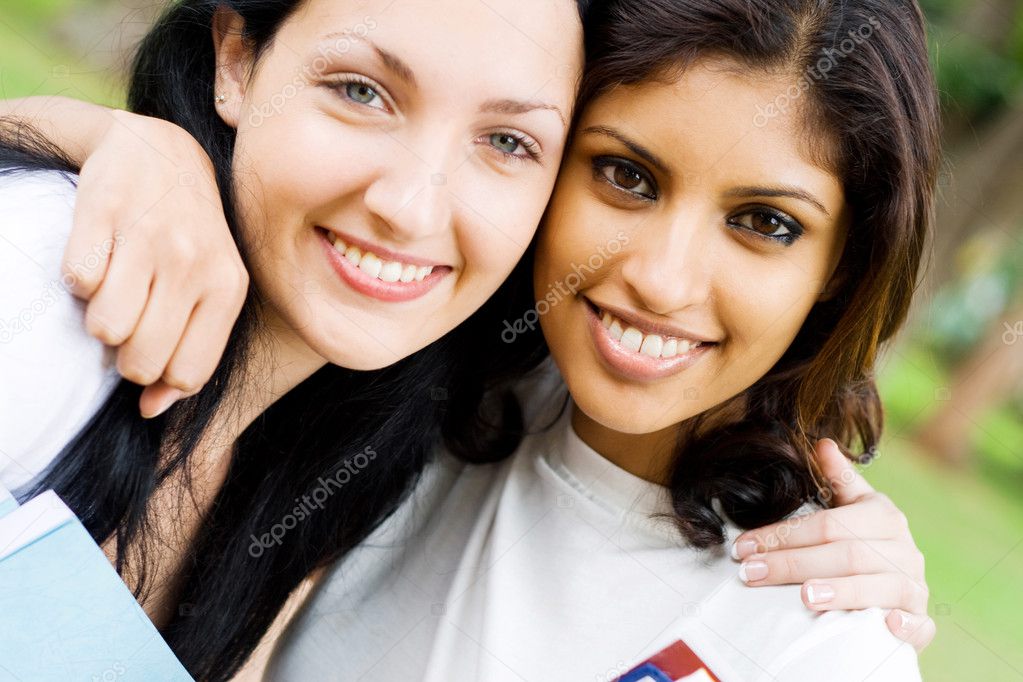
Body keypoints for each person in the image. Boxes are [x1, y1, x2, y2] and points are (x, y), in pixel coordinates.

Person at [0, 0, 935, 678]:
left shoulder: (820, 628)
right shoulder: (421, 382)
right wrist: (119, 142)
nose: (663, 279)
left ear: (843, 271)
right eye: (623, 176)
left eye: (766, 223)